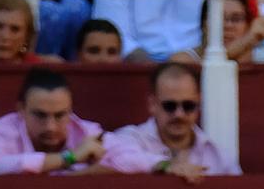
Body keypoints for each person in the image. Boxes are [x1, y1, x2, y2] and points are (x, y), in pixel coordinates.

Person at [101, 62, 240, 181]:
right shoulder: (130, 138)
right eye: (170, 106)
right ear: (152, 104)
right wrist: (164, 165)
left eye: (188, 106)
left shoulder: (218, 155)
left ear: (199, 103)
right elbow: (114, 160)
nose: (179, 114)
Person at [0, 65, 104, 173]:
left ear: (70, 111)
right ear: (21, 110)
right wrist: (70, 157)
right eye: (40, 115)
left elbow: (123, 159)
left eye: (60, 115)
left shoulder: (88, 132)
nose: (50, 127)